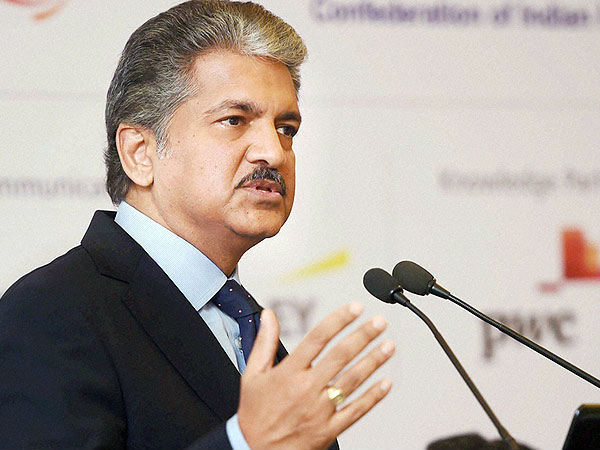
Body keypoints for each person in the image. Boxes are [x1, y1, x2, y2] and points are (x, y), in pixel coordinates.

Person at [0, 1, 395, 449]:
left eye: (286, 128)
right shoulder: (53, 312)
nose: (272, 151)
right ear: (140, 154)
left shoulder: (245, 322)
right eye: (234, 120)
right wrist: (244, 443)